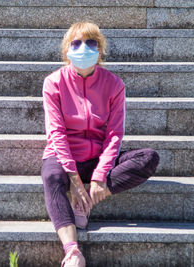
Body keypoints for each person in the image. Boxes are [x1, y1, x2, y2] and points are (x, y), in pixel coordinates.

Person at [40, 21, 160, 267]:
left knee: (149, 157)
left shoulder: (114, 84)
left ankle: (87, 202)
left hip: (97, 156)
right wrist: (74, 179)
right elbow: (57, 132)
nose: (83, 48)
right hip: (64, 157)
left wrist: (99, 177)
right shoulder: (53, 82)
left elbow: (115, 134)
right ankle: (72, 252)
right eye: (76, 43)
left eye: (90, 42)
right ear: (67, 51)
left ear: (100, 49)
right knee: (51, 176)